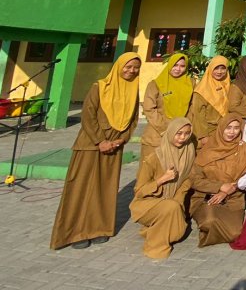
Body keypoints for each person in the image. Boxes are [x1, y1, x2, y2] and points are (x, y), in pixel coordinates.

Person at [51, 53, 141, 250]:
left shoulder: (134, 90)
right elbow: (88, 115)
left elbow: (133, 119)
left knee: (105, 189)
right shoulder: (100, 86)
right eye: (128, 66)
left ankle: (98, 229)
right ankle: (75, 232)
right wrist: (101, 141)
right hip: (90, 145)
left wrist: (120, 140)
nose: (131, 71)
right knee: (81, 189)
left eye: (135, 68)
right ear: (118, 66)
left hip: (114, 147)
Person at [129, 116, 195, 259]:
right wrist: (162, 179)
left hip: (172, 202)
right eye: (178, 133)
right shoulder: (154, 157)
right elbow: (139, 191)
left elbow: (187, 180)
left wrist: (178, 200)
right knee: (170, 209)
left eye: (186, 133)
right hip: (146, 204)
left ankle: (152, 229)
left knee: (178, 231)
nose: (182, 138)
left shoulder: (189, 152)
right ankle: (155, 248)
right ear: (170, 132)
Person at [189, 113, 246, 247]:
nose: (232, 132)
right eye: (228, 127)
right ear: (221, 128)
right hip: (207, 196)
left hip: (233, 197)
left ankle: (216, 230)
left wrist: (226, 191)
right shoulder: (207, 149)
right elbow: (195, 179)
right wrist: (219, 187)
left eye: (236, 128)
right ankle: (208, 228)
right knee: (209, 220)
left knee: (234, 233)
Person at [140, 52, 193, 167]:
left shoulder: (190, 84)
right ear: (169, 65)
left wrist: (185, 130)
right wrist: (166, 129)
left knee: (174, 172)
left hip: (180, 136)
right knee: (150, 171)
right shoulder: (155, 84)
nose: (178, 69)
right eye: (175, 65)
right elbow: (149, 109)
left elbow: (192, 109)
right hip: (157, 134)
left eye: (182, 66)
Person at [190, 56, 231, 145]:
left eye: (223, 68)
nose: (219, 72)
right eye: (216, 68)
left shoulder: (227, 84)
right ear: (210, 68)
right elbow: (198, 115)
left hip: (225, 130)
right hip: (208, 132)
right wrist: (203, 136)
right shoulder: (202, 89)